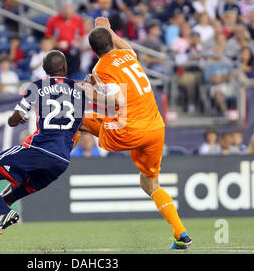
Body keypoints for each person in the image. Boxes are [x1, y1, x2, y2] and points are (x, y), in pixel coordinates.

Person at [0, 50, 85, 253]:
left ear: (44, 70)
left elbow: (15, 119)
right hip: (62, 160)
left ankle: (5, 213)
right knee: (7, 197)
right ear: (64, 68)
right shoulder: (81, 91)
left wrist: (15, 118)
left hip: (40, 148)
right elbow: (81, 125)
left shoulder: (37, 86)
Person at [77, 17, 192, 249]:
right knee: (150, 184)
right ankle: (181, 235)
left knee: (77, 119)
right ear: (112, 40)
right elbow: (124, 46)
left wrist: (90, 92)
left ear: (92, 50)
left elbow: (115, 100)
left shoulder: (101, 68)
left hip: (128, 130)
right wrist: (107, 29)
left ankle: (54, 159)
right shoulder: (128, 55)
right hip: (155, 128)